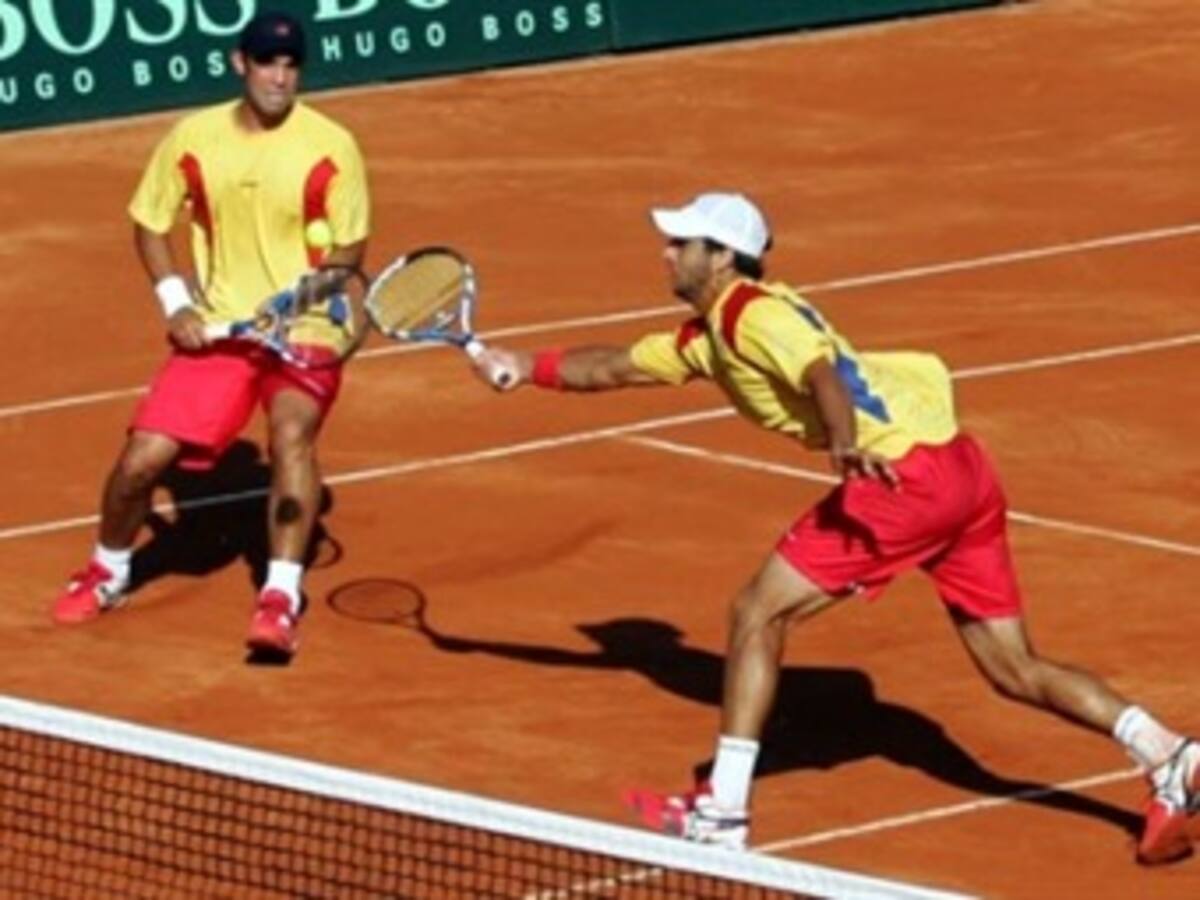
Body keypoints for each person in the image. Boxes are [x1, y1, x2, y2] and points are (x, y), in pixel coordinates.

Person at [471, 191, 1198, 865]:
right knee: (1014, 668)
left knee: (756, 613)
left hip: (895, 481)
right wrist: (522, 365)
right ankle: (1169, 754)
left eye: (682, 242)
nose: (666, 253)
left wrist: (845, 443)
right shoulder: (711, 336)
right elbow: (615, 367)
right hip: (960, 470)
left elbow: (819, 371)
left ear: (721, 256)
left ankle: (723, 811)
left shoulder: (755, 315)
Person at [51, 11, 370, 660]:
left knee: (291, 435)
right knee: (142, 461)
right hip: (220, 330)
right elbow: (149, 223)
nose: (280, 76)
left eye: (290, 64)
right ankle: (107, 571)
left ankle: (279, 597)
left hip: (302, 326)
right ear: (239, 64)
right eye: (266, 62)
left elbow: (348, 251)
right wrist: (176, 303)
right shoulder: (193, 138)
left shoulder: (332, 146)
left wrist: (291, 305)